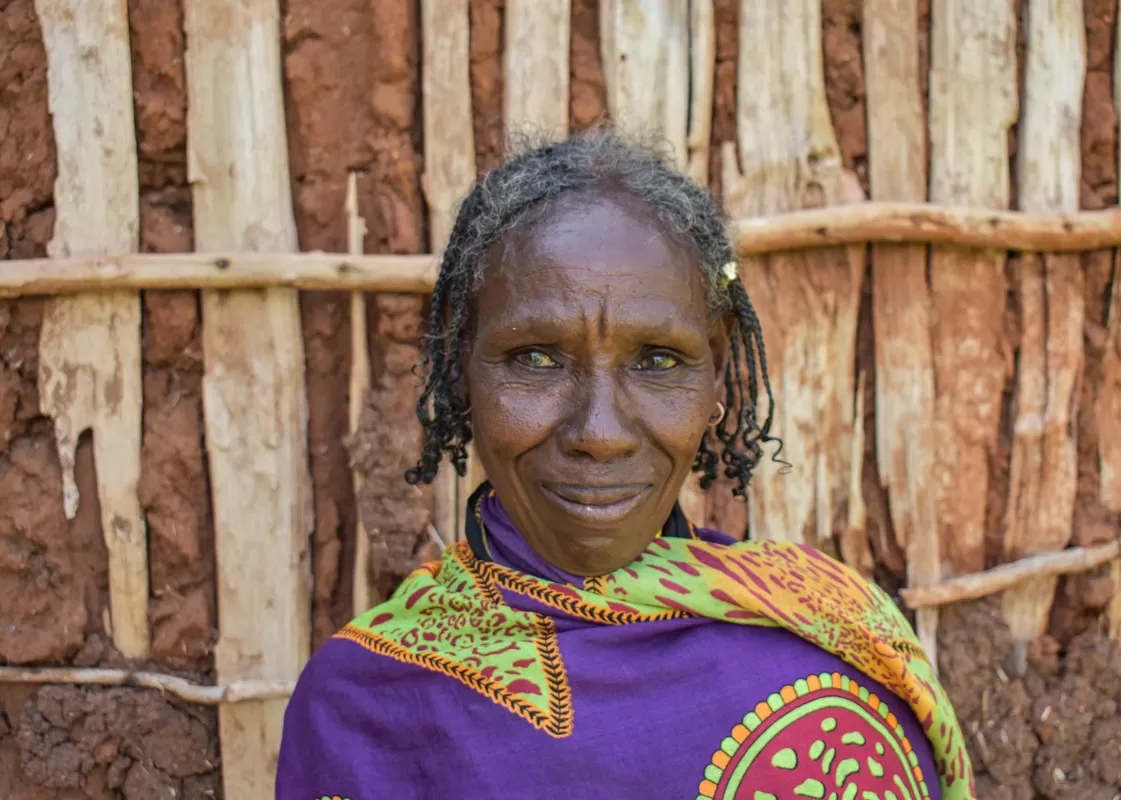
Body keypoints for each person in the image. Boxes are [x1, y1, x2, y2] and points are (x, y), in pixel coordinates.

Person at [277, 131, 973, 800]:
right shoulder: (366, 704)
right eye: (536, 358)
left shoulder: (834, 648)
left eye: (658, 361)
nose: (600, 433)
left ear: (717, 370)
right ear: (462, 367)